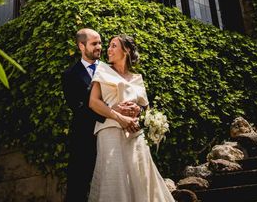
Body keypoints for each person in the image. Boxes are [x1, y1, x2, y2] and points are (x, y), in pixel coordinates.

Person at [87, 34, 175, 202]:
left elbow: (145, 108)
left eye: (114, 46)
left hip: (135, 134)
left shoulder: (137, 78)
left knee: (140, 176)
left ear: (126, 50)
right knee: (113, 176)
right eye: (109, 45)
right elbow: (93, 102)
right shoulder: (102, 70)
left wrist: (138, 110)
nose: (108, 49)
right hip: (110, 130)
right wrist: (120, 118)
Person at [62, 28, 141, 202]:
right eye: (94, 43)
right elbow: (79, 108)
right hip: (85, 139)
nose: (100, 47)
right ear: (81, 46)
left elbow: (130, 92)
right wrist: (113, 111)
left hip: (114, 136)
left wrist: (134, 109)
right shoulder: (69, 75)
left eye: (100, 43)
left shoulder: (112, 69)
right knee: (78, 188)